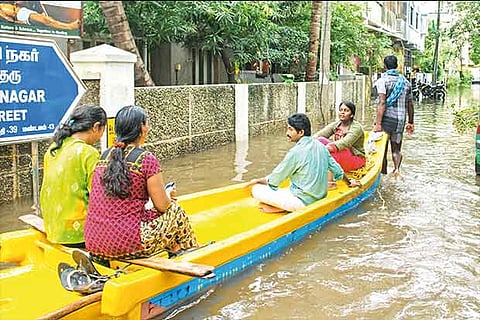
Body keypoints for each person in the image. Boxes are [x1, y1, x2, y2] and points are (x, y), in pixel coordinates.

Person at [84, 105, 198, 261]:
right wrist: (167, 196)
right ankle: (192, 253)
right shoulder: (146, 159)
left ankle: (176, 249)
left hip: (94, 241)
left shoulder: (104, 155)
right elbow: (163, 206)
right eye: (147, 124)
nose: (148, 128)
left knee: (153, 215)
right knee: (175, 211)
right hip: (128, 243)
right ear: (142, 128)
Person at [246, 113, 360, 213]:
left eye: (290, 129)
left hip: (302, 203)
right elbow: (338, 171)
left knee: (256, 189)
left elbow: (275, 179)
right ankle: (281, 206)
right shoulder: (321, 146)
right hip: (319, 198)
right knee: (286, 189)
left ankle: (282, 208)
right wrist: (349, 182)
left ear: (301, 132)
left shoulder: (295, 152)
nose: (287, 133)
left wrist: (257, 181)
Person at [40, 104, 107, 247]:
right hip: (77, 234)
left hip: (53, 229)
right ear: (96, 127)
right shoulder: (88, 153)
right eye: (102, 130)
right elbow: (100, 197)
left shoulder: (53, 149)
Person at [374, 55, 414, 177]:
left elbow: (382, 102)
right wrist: (411, 122)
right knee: (396, 149)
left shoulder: (382, 81)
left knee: (382, 150)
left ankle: (384, 174)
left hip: (385, 119)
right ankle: (396, 170)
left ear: (385, 66)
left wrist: (378, 123)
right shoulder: (405, 83)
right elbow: (410, 104)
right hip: (400, 120)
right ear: (397, 65)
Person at [313, 101, 366, 172]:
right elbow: (320, 134)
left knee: (331, 155)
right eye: (341, 110)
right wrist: (307, 143)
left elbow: (345, 143)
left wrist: (325, 149)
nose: (342, 112)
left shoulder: (356, 128)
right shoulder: (336, 124)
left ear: (352, 115)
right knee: (320, 140)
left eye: (346, 111)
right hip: (340, 153)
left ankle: (329, 178)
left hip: (355, 158)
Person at [0, 1, 80, 30]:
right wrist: (16, 22)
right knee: (46, 20)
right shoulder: (2, 8)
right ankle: (69, 26)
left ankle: (68, 26)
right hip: (20, 14)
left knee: (47, 19)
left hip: (22, 11)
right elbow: (7, 19)